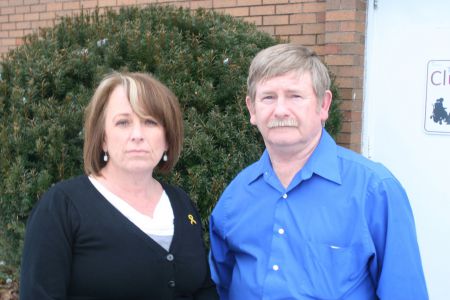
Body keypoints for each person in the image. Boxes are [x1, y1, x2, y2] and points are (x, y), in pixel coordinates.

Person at [209, 44, 428, 299]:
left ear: (323, 105)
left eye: (295, 96)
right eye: (268, 97)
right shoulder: (237, 194)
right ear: (252, 109)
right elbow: (220, 284)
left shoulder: (374, 190)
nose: (280, 110)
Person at [20, 72, 218, 300]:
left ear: (167, 139)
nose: (137, 135)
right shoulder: (61, 207)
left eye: (150, 122)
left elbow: (203, 288)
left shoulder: (182, 204)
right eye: (123, 122)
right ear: (102, 137)